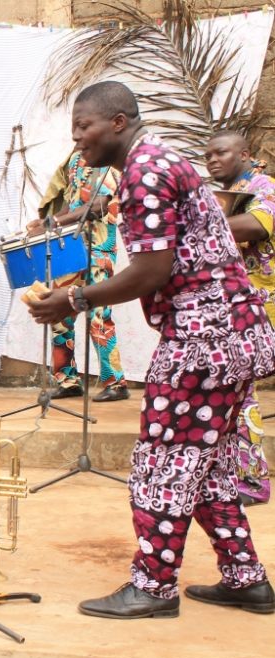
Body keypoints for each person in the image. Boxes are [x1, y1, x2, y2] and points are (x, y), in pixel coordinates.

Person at [29, 81, 274, 618]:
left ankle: (155, 587)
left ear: (117, 122)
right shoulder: (159, 160)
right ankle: (245, 578)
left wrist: (72, 299)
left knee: (162, 461)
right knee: (204, 463)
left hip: (203, 341)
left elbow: (150, 271)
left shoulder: (145, 172)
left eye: (83, 126)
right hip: (233, 332)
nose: (77, 138)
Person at [203, 129, 274, 506]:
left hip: (267, 307)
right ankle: (237, 475)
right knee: (236, 391)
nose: (212, 160)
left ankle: (253, 481)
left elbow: (258, 225)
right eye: (208, 155)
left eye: (221, 153)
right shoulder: (222, 197)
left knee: (242, 393)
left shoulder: (264, 185)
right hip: (243, 309)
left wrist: (200, 226)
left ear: (245, 153)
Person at [26, 148, 129, 402]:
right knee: (59, 312)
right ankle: (68, 381)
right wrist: (46, 223)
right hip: (68, 247)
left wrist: (56, 223)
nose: (80, 135)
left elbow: (101, 204)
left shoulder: (108, 159)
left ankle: (116, 383)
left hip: (99, 247)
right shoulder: (74, 160)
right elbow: (73, 205)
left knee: (98, 314)